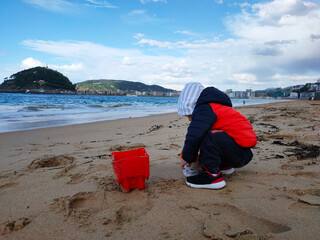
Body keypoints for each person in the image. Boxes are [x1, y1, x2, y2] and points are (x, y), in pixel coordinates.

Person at [178, 82, 257, 189]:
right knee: (212, 135)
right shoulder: (217, 108)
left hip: (239, 152)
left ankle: (212, 177)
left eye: (188, 115)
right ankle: (224, 167)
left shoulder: (204, 109)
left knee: (207, 135)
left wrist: (187, 157)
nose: (189, 118)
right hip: (243, 152)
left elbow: (194, 135)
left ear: (191, 104)